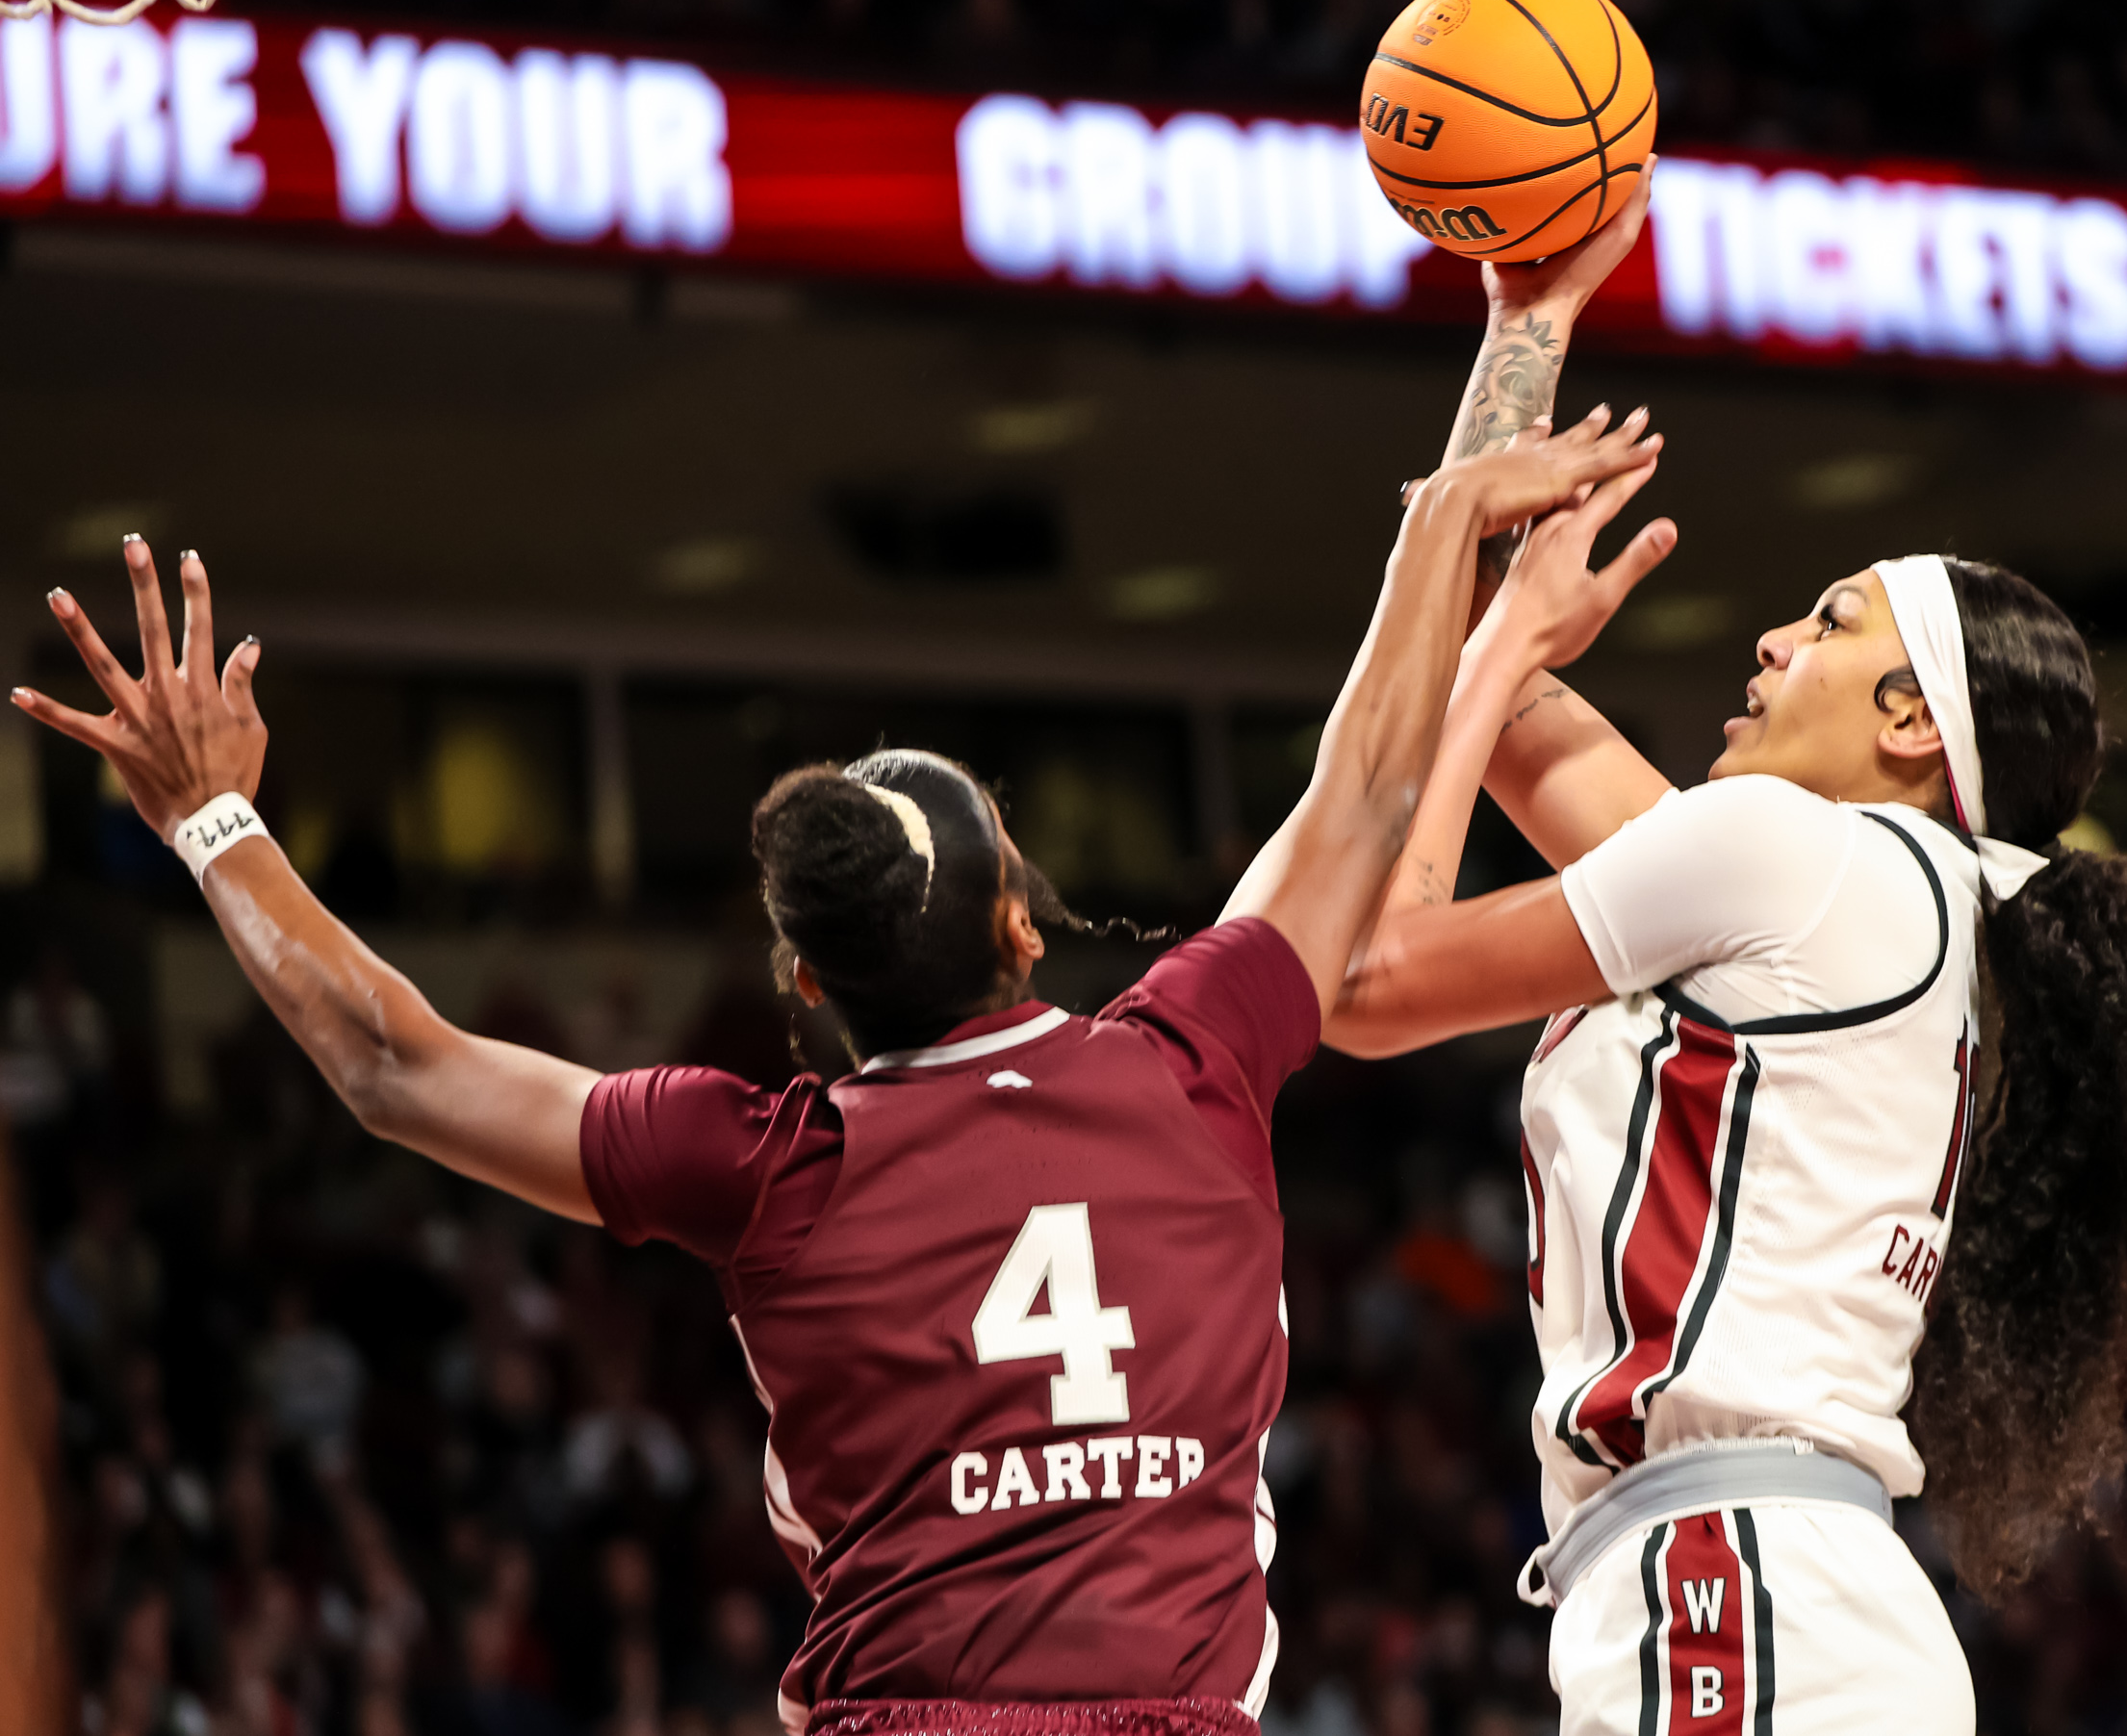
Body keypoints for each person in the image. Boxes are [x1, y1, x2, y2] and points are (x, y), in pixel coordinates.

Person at [9, 414, 1669, 1736]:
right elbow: (1363, 788)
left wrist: (210, 819)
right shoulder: (1196, 1053)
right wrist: (1455, 503)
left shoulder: (765, 1162)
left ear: (802, 981)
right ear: (1021, 919)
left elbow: (390, 1062)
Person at [1323, 185, 2127, 1736]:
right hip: (1773, 1590)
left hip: (1735, 1584)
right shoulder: (1843, 891)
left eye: (1830, 621)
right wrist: (1524, 329)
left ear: (1913, 721)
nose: (1771, 647)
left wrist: (1511, 632)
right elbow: (1450, 661)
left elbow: (1365, 978)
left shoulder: (1792, 862)